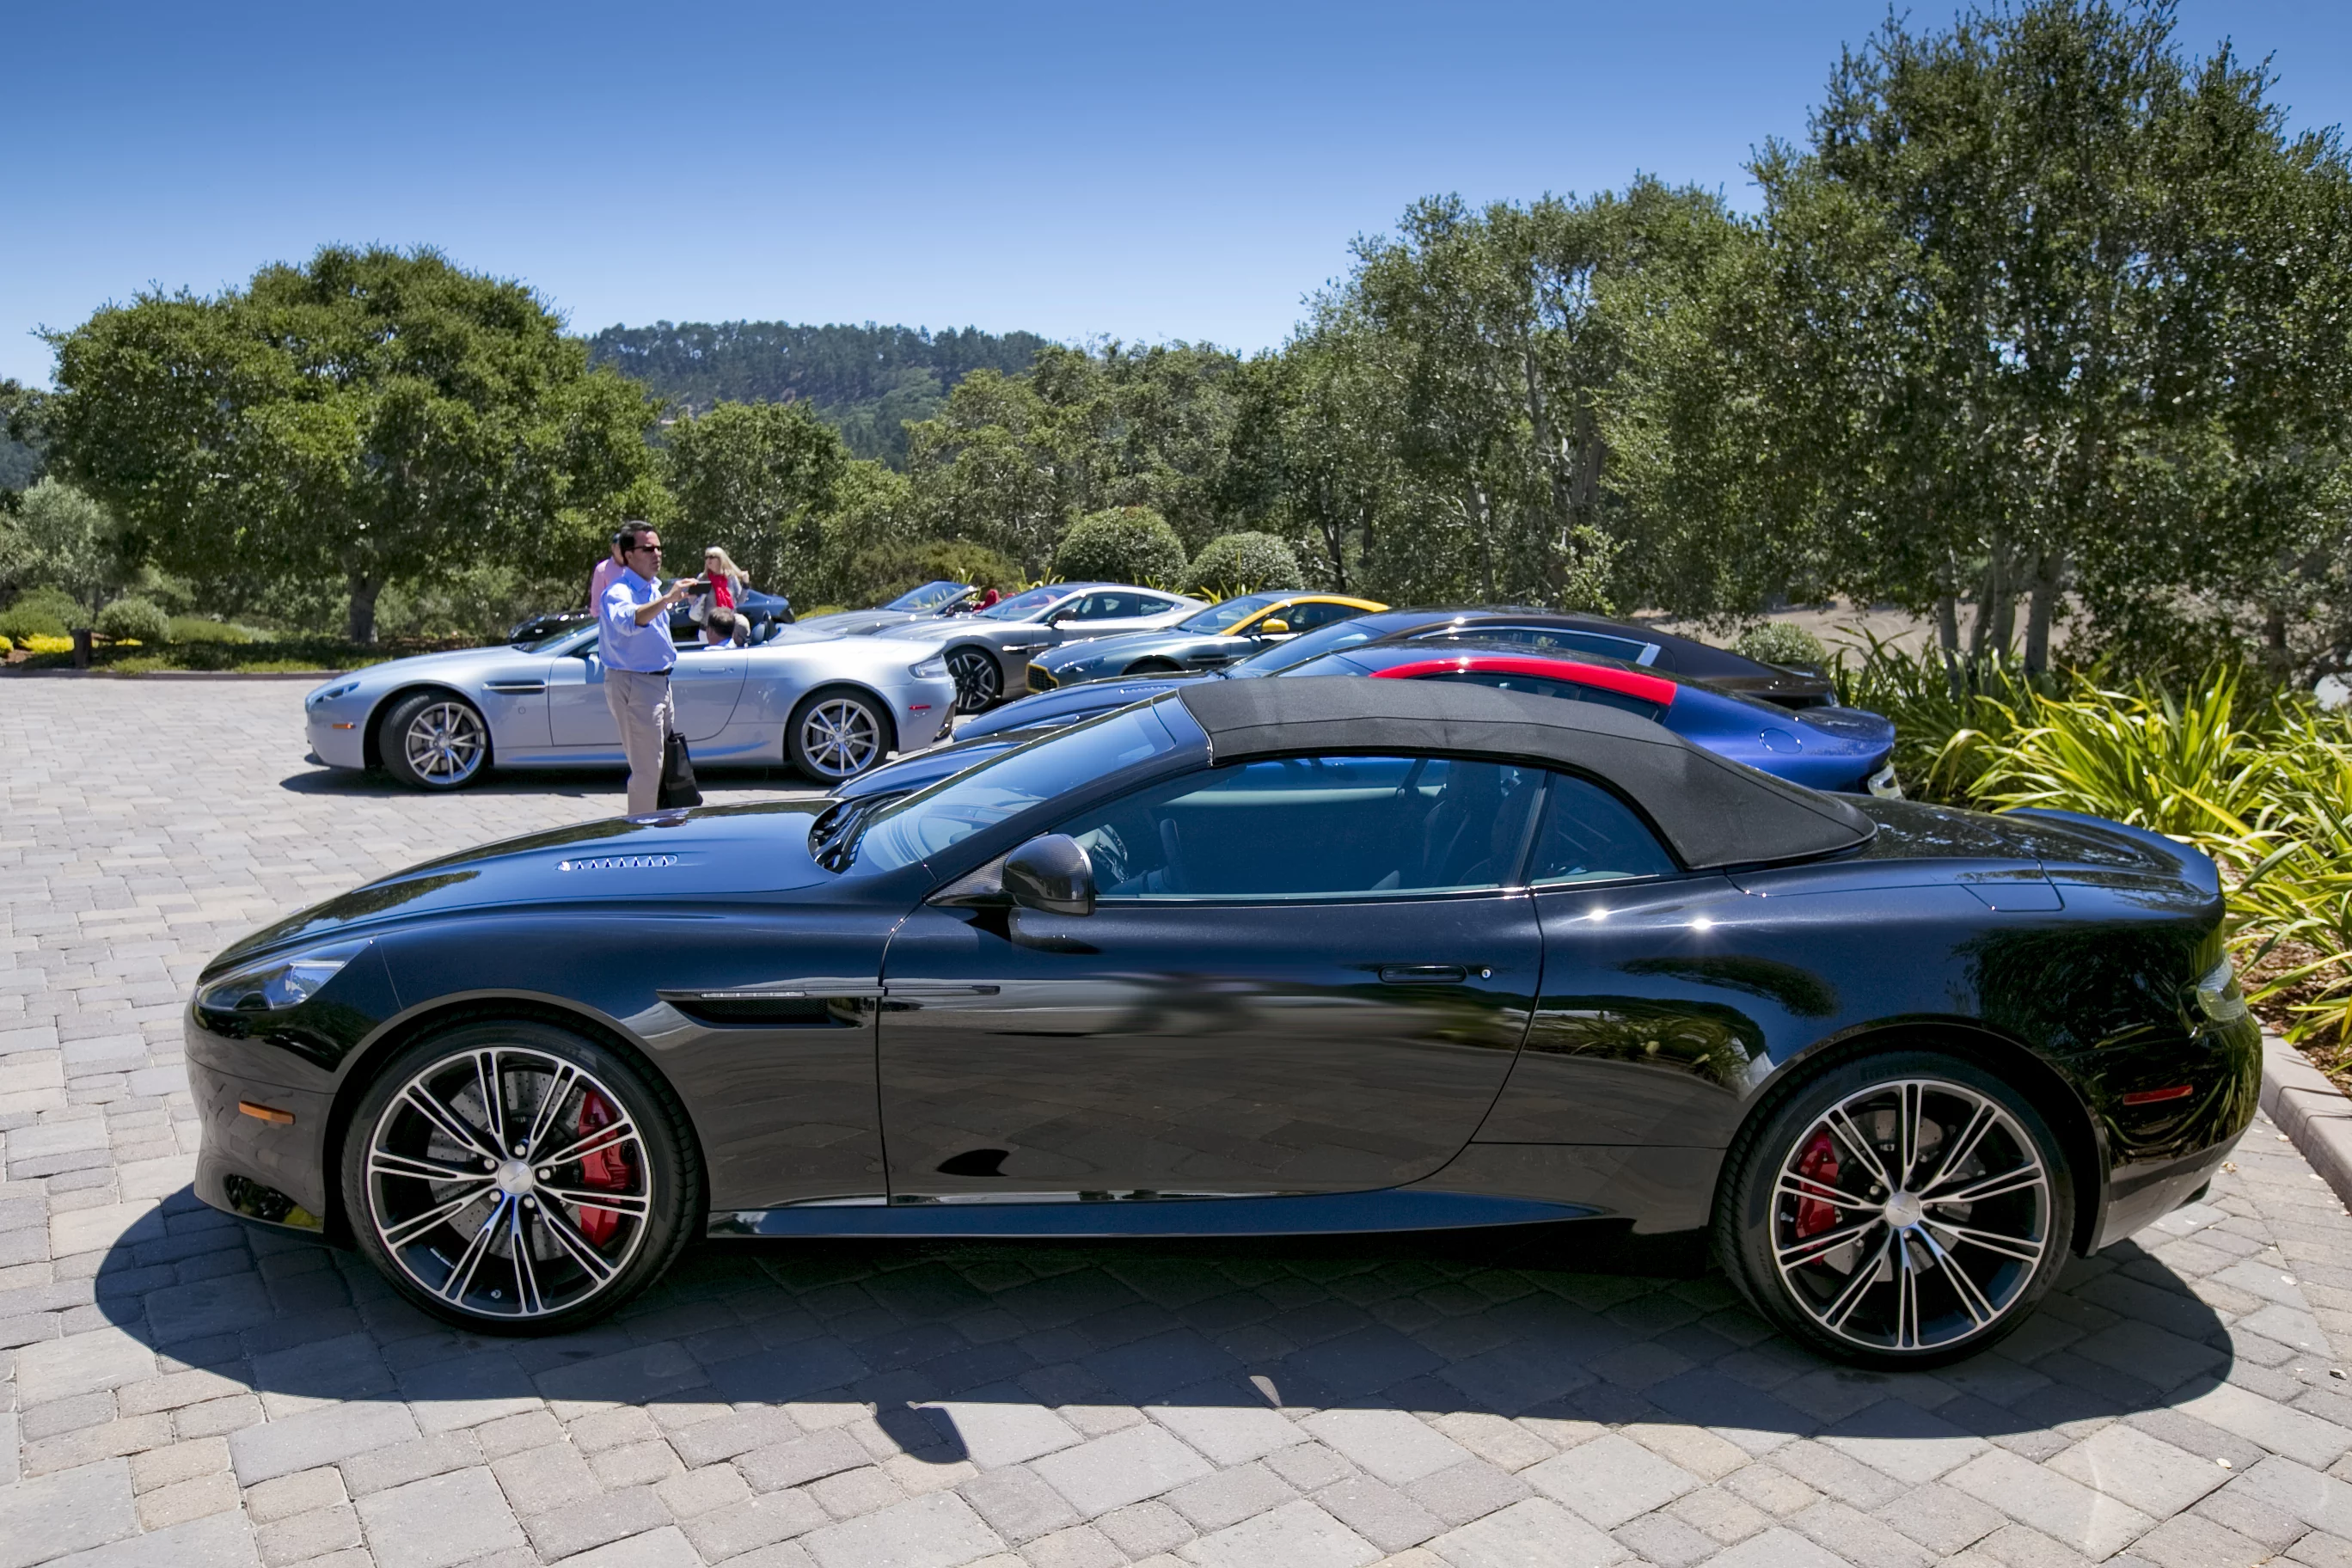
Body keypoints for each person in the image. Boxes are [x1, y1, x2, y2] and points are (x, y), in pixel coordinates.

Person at [599, 524, 697, 814]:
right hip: (635, 684)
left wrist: (672, 598)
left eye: (658, 547)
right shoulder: (619, 591)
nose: (657, 554)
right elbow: (630, 621)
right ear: (629, 555)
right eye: (648, 549)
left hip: (658, 683)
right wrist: (667, 599)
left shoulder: (652, 588)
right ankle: (641, 839)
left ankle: (663, 826)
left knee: (667, 763)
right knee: (647, 770)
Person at [693, 548, 749, 644]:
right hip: (708, 630)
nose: (708, 560)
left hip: (728, 629)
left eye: (712, 557)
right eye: (706, 557)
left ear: (721, 559)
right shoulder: (703, 578)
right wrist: (693, 594)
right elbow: (694, 601)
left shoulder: (731, 578)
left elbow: (740, 601)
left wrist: (746, 584)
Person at [588, 530, 628, 608]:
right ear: (613, 548)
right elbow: (596, 603)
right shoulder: (602, 569)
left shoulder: (634, 568)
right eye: (621, 547)